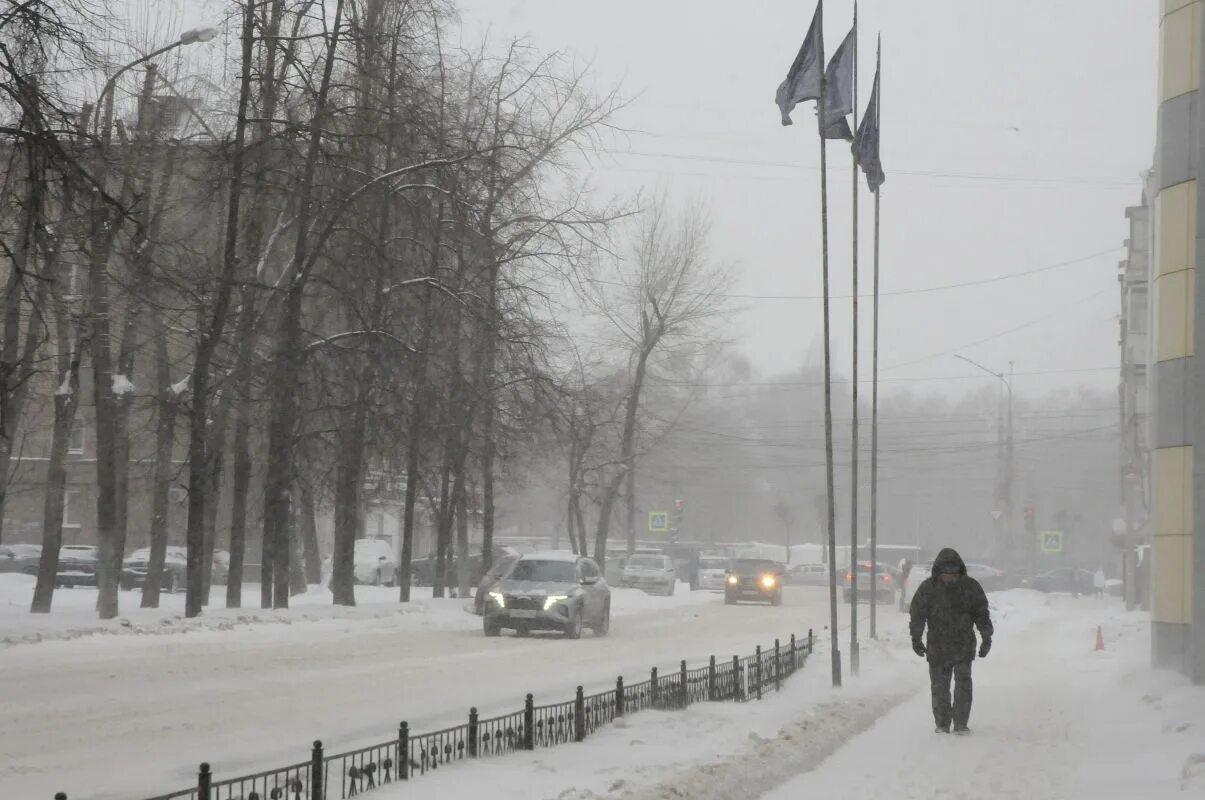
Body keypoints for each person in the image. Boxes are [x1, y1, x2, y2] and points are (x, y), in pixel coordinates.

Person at [909, 547, 993, 735]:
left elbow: (982, 614)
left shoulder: (971, 588)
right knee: (940, 687)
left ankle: (961, 723)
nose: (950, 578)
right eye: (946, 574)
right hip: (937, 646)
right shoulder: (928, 589)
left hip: (963, 645)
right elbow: (917, 614)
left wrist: (986, 637)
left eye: (953, 574)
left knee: (963, 684)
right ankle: (942, 723)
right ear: (938, 573)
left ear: (960, 572)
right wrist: (916, 638)